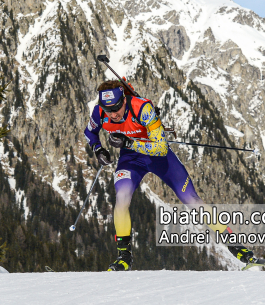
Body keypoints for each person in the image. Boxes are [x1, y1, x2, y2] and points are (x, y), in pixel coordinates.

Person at [84, 80, 254, 271]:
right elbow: (90, 132)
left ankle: (237, 247)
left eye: (116, 108)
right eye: (108, 110)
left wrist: (130, 143)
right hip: (131, 160)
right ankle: (124, 257)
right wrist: (98, 150)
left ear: (124, 99)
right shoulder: (100, 112)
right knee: (122, 198)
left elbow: (160, 147)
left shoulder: (142, 108)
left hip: (157, 156)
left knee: (191, 199)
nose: (113, 114)